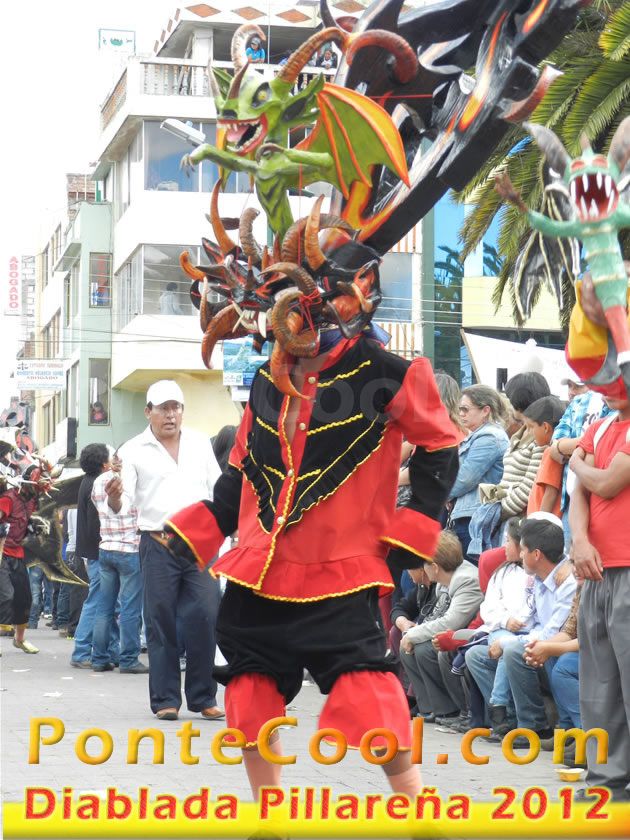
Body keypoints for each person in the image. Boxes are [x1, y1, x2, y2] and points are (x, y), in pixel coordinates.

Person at [164, 339, 460, 802]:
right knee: (250, 698)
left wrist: (415, 522)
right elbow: (243, 464)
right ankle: (270, 819)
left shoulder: (384, 370)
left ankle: (419, 813)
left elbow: (439, 442)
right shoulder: (268, 377)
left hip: (341, 568)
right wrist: (206, 526)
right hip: (259, 569)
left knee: (370, 698)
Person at [107, 380, 223, 721]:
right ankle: (165, 700)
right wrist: (114, 497)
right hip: (157, 543)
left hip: (200, 543)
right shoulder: (133, 450)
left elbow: (217, 488)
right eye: (163, 408)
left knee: (206, 615)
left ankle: (203, 696)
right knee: (160, 621)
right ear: (149, 412)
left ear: (182, 411)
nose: (170, 415)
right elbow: (123, 500)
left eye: (176, 407)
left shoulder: (200, 442)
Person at [569, 390, 630, 800]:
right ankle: (605, 784)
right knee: (599, 686)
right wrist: (579, 540)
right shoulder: (603, 424)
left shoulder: (600, 433)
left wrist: (574, 461)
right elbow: (580, 495)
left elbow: (606, 484)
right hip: (597, 569)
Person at [465, 515, 576, 743]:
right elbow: (527, 619)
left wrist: (508, 642)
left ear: (536, 554)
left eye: (523, 550)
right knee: (476, 655)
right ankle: (509, 721)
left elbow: (552, 634)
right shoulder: (536, 578)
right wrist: (506, 629)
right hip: (537, 643)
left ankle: (533, 726)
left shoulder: (567, 582)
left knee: (514, 650)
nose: (520, 555)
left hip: (554, 651)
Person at [399, 531, 483, 724]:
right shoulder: (444, 580)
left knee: (424, 648)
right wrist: (411, 634)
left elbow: (450, 622)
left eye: (424, 563)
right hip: (453, 632)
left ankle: (449, 709)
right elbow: (436, 616)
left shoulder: (466, 579)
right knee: (409, 648)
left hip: (468, 634)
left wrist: (413, 634)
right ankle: (429, 707)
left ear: (435, 567)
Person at [90, 454, 146, 674]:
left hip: (106, 547)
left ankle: (99, 658)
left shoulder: (99, 480)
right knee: (130, 608)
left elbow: (97, 505)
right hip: (130, 549)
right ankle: (129, 659)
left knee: (104, 607)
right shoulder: (134, 481)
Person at [70, 445, 119, 669]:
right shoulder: (96, 484)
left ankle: (112, 651)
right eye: (111, 458)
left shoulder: (87, 481)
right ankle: (81, 652)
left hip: (93, 551)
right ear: (104, 464)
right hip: (98, 552)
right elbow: (95, 524)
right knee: (97, 600)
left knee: (108, 601)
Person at [448, 385, 509, 556]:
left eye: (465, 409)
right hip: (471, 515)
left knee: (472, 570)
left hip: (476, 517)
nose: (461, 414)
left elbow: (464, 479)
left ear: (485, 411)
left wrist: (442, 495)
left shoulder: (489, 437)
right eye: (460, 409)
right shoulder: (480, 435)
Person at [0, 465, 49, 653]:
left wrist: (33, 527)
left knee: (25, 600)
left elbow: (26, 521)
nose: (38, 491)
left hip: (17, 554)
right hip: (2, 554)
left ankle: (19, 639)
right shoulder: (8, 498)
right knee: (5, 596)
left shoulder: (31, 501)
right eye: (36, 487)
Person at [523, 395, 566, 517]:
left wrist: (540, 521)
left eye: (531, 427)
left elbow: (550, 493)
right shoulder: (554, 450)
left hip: (541, 522)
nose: (529, 433)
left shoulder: (551, 453)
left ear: (546, 427)